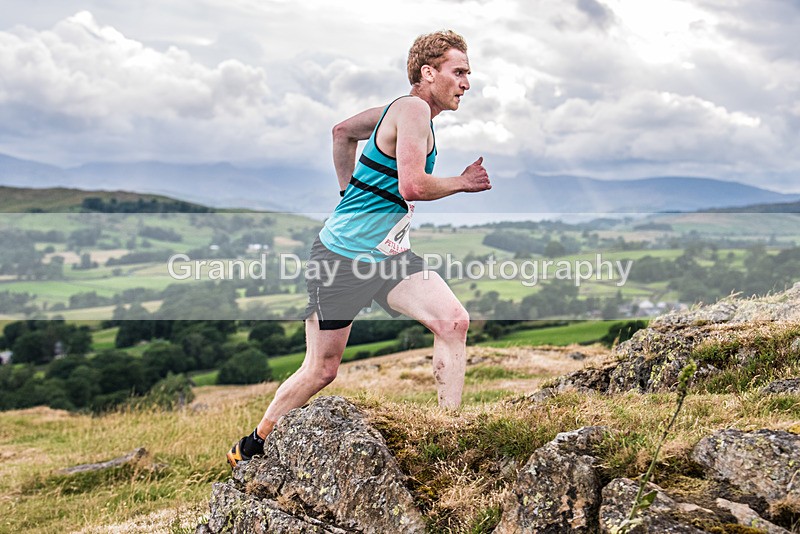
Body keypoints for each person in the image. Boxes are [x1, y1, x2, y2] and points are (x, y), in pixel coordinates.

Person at [227, 29, 491, 468]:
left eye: (468, 74)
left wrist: (347, 190)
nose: (466, 83)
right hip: (342, 259)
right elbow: (412, 185)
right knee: (321, 369)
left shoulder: (399, 111)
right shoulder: (412, 109)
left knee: (453, 322)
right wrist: (462, 182)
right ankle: (251, 446)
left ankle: (448, 433)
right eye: (459, 72)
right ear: (428, 73)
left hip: (388, 255)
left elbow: (341, 132)